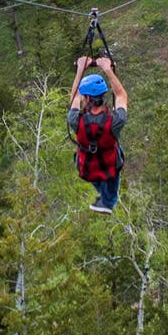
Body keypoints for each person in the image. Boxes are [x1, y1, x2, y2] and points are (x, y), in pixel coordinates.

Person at [70, 53, 128, 214]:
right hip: (109, 167)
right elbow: (121, 96)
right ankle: (108, 202)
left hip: (87, 169)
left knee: (98, 176)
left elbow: (74, 98)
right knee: (110, 177)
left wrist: (80, 69)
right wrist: (108, 70)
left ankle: (105, 199)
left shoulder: (75, 120)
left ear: (87, 97)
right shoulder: (115, 121)